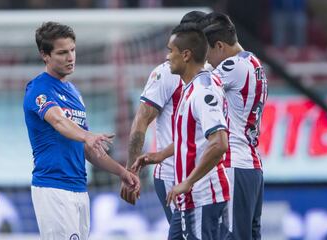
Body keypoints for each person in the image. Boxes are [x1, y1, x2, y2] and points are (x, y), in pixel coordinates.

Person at [23, 22, 139, 240]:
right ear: (45, 55)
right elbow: (58, 121)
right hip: (53, 188)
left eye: (73, 50)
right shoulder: (38, 88)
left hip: (79, 187)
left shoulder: (75, 94)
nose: (70, 57)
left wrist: (123, 172)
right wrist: (87, 135)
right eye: (62, 52)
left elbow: (88, 148)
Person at [133, 24, 230, 240]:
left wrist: (188, 182)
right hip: (192, 195)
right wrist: (160, 155)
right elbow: (193, 139)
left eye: (170, 50)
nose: (167, 57)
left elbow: (219, 143)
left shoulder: (203, 91)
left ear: (186, 55)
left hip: (203, 195)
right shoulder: (190, 87)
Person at [120, 11, 207, 224]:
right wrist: (131, 172)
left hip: (207, 171)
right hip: (172, 174)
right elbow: (142, 120)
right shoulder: (166, 73)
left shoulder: (214, 72)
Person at [202, 12, 268, 240]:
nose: (207, 60)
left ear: (220, 46)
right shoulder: (254, 63)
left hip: (234, 164)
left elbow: (199, 88)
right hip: (251, 166)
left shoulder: (232, 66)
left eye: (207, 53)